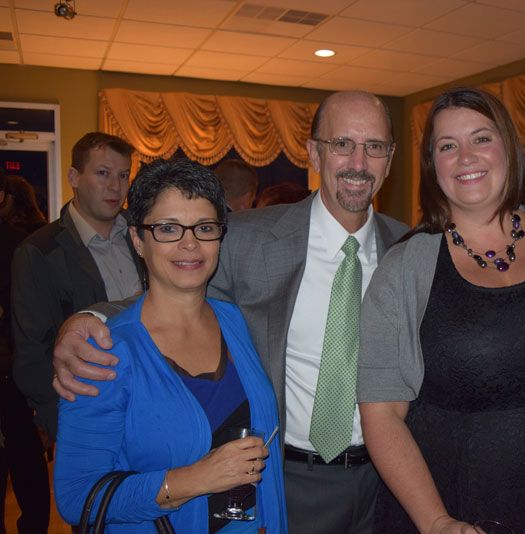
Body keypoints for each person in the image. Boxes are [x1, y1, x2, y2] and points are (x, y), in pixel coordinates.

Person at [49, 91, 408, 533]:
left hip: (388, 482)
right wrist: (91, 319)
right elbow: (176, 280)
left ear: (389, 158)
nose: (358, 161)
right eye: (342, 144)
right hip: (289, 480)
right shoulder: (249, 237)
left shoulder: (411, 251)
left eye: (374, 146)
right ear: (315, 152)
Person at [357, 87, 525, 533]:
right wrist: (436, 522)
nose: (466, 157)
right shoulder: (403, 269)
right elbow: (382, 415)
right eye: (447, 146)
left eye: (481, 138)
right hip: (455, 505)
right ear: (433, 166)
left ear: (508, 147)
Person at [54, 158, 287, 532]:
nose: (190, 244)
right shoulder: (106, 353)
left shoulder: (234, 321)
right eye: (168, 228)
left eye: (205, 228)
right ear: (137, 239)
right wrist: (195, 479)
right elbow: (77, 496)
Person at [11, 132, 145, 444]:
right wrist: (63, 422)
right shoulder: (39, 252)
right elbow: (32, 354)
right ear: (74, 177)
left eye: (123, 175)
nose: (115, 186)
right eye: (103, 173)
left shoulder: (145, 235)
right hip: (88, 408)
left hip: (150, 399)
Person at [0, 172, 50, 534]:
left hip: (12, 366)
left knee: (21, 458)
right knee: (25, 460)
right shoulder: (28, 241)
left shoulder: (23, 245)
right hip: (14, 367)